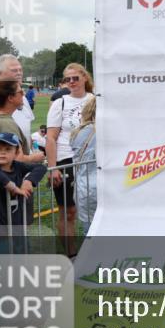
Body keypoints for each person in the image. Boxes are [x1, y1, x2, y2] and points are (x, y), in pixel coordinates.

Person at [46, 63, 95, 256]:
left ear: (84, 77)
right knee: (69, 211)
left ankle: (93, 251)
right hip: (66, 159)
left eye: (75, 78)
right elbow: (51, 138)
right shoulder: (61, 103)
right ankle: (71, 254)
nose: (72, 82)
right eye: (67, 79)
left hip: (92, 160)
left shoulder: (95, 99)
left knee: (93, 206)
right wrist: (53, 168)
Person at [0, 132, 46, 249]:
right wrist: (14, 188)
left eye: (8, 149)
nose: (2, 152)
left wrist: (28, 181)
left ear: (16, 153)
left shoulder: (17, 166)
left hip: (18, 227)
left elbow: (41, 167)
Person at [69, 97, 97, 234]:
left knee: (90, 232)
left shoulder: (78, 131)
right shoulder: (103, 131)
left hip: (83, 187)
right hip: (98, 187)